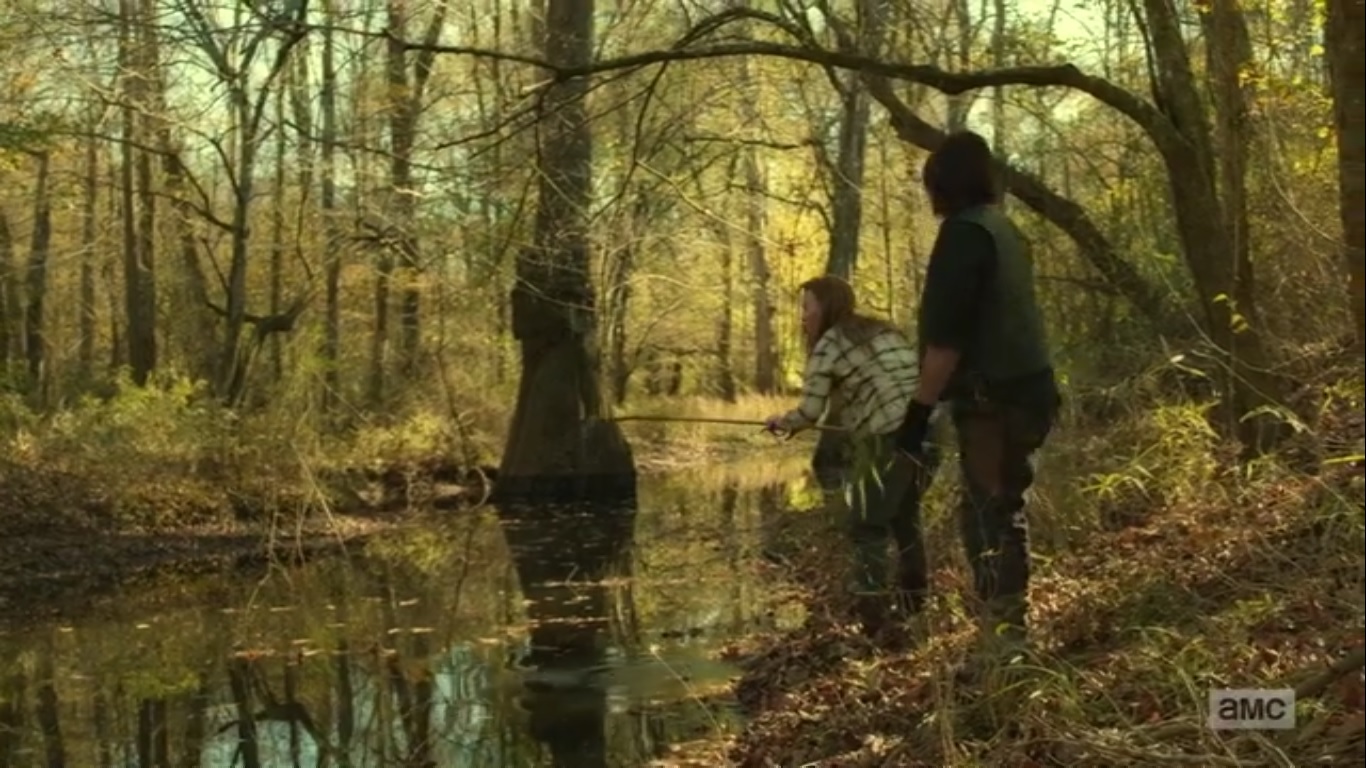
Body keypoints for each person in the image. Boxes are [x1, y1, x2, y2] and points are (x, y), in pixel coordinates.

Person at [893, 131, 1061, 658]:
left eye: (930, 185)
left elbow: (947, 341)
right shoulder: (1004, 228)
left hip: (996, 403)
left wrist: (918, 412)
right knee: (1003, 508)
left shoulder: (964, 235)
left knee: (989, 516)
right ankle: (1007, 633)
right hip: (1029, 392)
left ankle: (1005, 642)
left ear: (943, 184)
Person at [764, 275, 940, 640]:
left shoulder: (829, 344)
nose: (802, 317)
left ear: (826, 307)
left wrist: (782, 422)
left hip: (889, 437)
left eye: (807, 308)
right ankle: (915, 607)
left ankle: (874, 621)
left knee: (866, 525)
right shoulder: (883, 331)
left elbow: (810, 412)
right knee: (905, 518)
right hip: (931, 432)